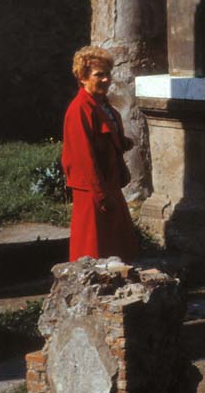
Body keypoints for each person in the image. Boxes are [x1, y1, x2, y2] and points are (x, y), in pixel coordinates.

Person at [61, 46, 139, 262]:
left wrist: (122, 142)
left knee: (116, 243)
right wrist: (101, 195)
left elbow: (104, 136)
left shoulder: (101, 104)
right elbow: (83, 157)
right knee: (93, 246)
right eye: (99, 75)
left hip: (109, 182)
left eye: (108, 74)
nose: (106, 79)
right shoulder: (79, 110)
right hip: (92, 188)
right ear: (83, 77)